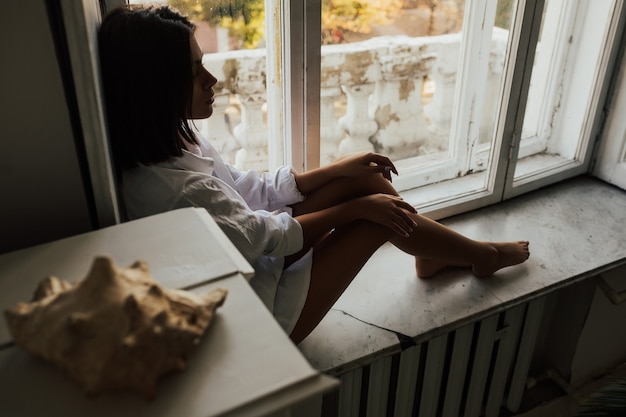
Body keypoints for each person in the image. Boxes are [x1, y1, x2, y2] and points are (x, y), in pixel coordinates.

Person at [98, 4, 530, 344]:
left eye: (202, 63)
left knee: (363, 180)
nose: (212, 80)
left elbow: (248, 190)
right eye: (194, 72)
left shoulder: (177, 141)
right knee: (373, 216)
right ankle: (479, 255)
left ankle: (438, 253)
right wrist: (358, 208)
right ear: (154, 88)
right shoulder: (171, 190)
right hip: (265, 311)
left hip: (261, 258)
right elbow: (264, 236)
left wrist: (335, 172)